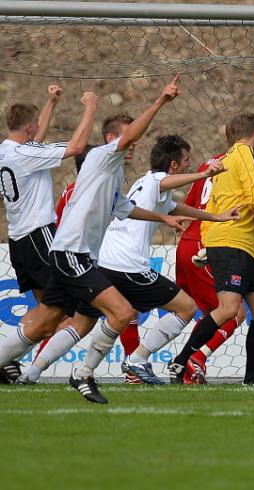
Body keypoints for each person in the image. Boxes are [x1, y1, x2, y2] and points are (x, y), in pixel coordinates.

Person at [0, 76, 193, 402]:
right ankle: (84, 373)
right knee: (120, 312)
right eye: (127, 138)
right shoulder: (102, 155)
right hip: (69, 252)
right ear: (110, 139)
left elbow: (124, 208)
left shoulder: (112, 171)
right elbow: (112, 138)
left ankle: (22, 367)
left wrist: (162, 217)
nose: (133, 143)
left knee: (46, 323)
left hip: (69, 253)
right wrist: (160, 100)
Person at [16, 135, 238, 385]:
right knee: (186, 307)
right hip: (127, 265)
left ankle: (32, 373)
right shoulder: (156, 180)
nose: (189, 164)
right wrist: (204, 174)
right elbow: (165, 182)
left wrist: (217, 218)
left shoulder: (147, 184)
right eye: (186, 160)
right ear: (174, 165)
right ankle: (138, 359)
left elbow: (179, 209)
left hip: (103, 262)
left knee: (82, 322)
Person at [168, 112, 254, 387]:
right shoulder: (247, 155)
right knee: (229, 309)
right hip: (231, 241)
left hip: (242, 242)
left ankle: (251, 378)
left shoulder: (222, 162)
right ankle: (181, 361)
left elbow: (216, 205)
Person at [0, 85, 96, 383]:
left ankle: (10, 362)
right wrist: (90, 107)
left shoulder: (7, 149)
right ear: (28, 127)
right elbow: (77, 148)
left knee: (46, 311)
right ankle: (6, 359)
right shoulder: (27, 153)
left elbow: (35, 138)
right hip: (39, 236)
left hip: (19, 241)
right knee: (55, 312)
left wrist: (50, 101)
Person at [169, 125, 246, 384]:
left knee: (195, 311)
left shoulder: (210, 162)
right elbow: (238, 209)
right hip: (207, 244)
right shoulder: (238, 166)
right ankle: (194, 359)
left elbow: (190, 205)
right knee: (234, 312)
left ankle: (152, 360)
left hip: (186, 243)